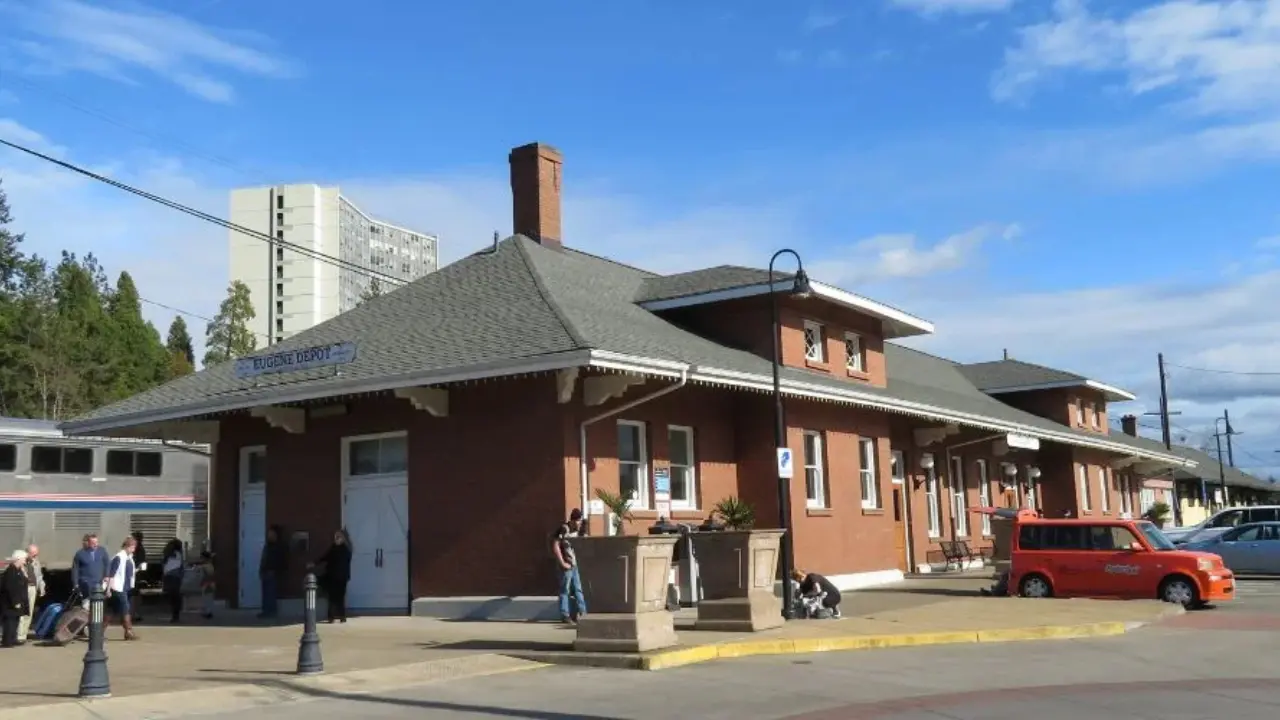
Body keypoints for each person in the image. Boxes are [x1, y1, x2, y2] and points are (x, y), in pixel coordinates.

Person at [551, 509, 587, 625]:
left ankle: (583, 612)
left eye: (580, 521)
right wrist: (562, 562)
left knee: (578, 589)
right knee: (565, 590)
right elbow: (555, 545)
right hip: (566, 565)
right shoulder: (564, 529)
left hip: (575, 564)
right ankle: (565, 615)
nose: (579, 523)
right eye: (577, 521)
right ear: (572, 521)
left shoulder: (580, 529)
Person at [314, 530, 352, 624]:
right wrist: (315, 563)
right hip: (333, 577)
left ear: (342, 539)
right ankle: (331, 617)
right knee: (332, 597)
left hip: (341, 577)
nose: (336, 539)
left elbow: (343, 563)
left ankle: (341, 616)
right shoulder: (333, 548)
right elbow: (325, 557)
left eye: (338, 537)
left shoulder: (345, 550)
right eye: (335, 537)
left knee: (340, 597)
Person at [106, 537, 139, 641]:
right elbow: (111, 574)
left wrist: (138, 569)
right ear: (127, 546)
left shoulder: (129, 558)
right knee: (125, 608)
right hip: (118, 587)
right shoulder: (119, 557)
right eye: (132, 547)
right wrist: (108, 589)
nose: (134, 549)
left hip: (125, 587)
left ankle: (99, 632)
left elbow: (128, 572)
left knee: (113, 610)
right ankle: (128, 631)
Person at [71, 534, 110, 606]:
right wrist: (75, 583)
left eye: (97, 542)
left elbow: (107, 563)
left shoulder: (102, 551)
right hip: (86, 584)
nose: (96, 545)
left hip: (99, 583)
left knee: (98, 605)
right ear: (88, 543)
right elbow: (75, 570)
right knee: (87, 605)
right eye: (93, 543)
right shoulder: (80, 554)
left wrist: (107, 575)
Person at [1, 550, 30, 648]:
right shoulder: (11, 571)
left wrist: (24, 573)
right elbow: (10, 588)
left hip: (17, 600)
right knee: (10, 622)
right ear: (18, 559)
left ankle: (12, 639)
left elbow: (24, 582)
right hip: (10, 602)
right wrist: (16, 602)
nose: (25, 562)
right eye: (24, 559)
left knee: (15, 620)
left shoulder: (18, 570)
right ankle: (7, 641)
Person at [258, 525, 287, 619]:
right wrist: (261, 570)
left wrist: (277, 570)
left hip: (272, 572)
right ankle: (265, 611)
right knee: (265, 593)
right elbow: (264, 559)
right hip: (265, 571)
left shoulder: (279, 547)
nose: (269, 535)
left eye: (271, 534)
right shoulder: (268, 546)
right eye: (269, 534)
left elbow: (282, 560)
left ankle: (271, 611)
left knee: (271, 593)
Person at [17, 544, 44, 642]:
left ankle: (23, 635)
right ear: (27, 553)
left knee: (29, 612)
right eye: (33, 554)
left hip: (33, 588)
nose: (35, 556)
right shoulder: (21, 561)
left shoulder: (36, 562)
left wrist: (41, 587)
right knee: (22, 612)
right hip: (23, 589)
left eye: (36, 554)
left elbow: (39, 576)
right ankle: (19, 635)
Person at [160, 539, 185, 623]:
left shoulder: (167, 554)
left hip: (167, 576)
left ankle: (174, 615)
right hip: (175, 577)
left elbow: (163, 565)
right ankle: (176, 616)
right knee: (176, 597)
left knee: (171, 597)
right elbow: (181, 566)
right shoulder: (178, 554)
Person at [131, 532, 147, 623]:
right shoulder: (140, 548)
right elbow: (143, 563)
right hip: (137, 574)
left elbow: (140, 562)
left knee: (133, 594)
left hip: (134, 574)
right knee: (136, 594)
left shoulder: (137, 548)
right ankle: (136, 613)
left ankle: (133, 613)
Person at [198, 551, 216, 620]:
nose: (201, 559)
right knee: (208, 598)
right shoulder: (210, 565)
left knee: (206, 598)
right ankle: (208, 612)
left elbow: (206, 575)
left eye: (202, 557)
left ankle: (208, 612)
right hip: (210, 582)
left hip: (207, 583)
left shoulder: (206, 566)